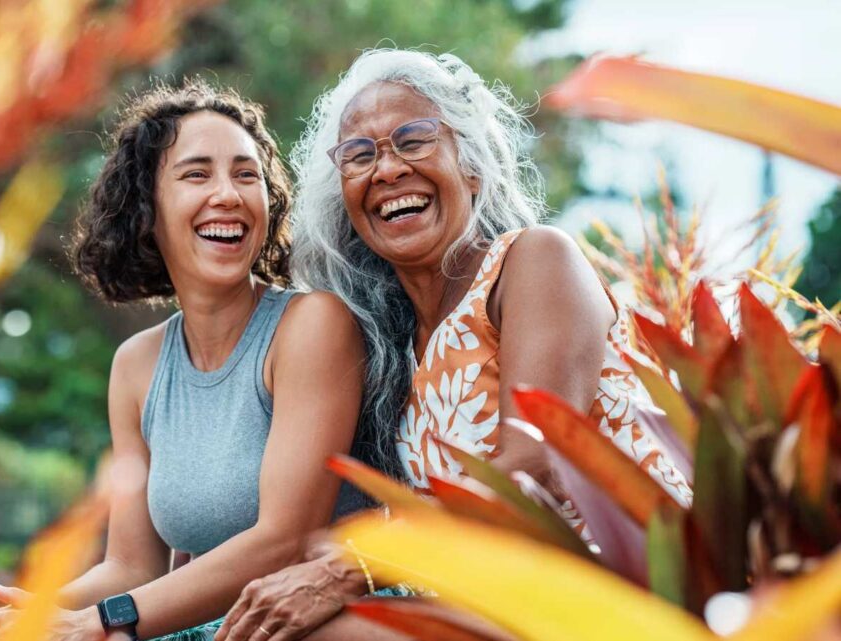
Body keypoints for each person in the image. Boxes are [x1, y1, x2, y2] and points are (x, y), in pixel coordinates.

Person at [214, 49, 692, 641]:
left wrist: (348, 569)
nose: (386, 170)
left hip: (618, 599)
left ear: (472, 166)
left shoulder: (534, 261)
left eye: (413, 140)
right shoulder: (392, 353)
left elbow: (530, 466)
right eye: (359, 156)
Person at [0, 80, 372, 641]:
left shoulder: (311, 326)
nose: (229, 194)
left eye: (246, 174)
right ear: (148, 210)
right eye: (196, 174)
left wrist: (98, 622)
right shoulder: (136, 366)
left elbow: (285, 539)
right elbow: (132, 566)